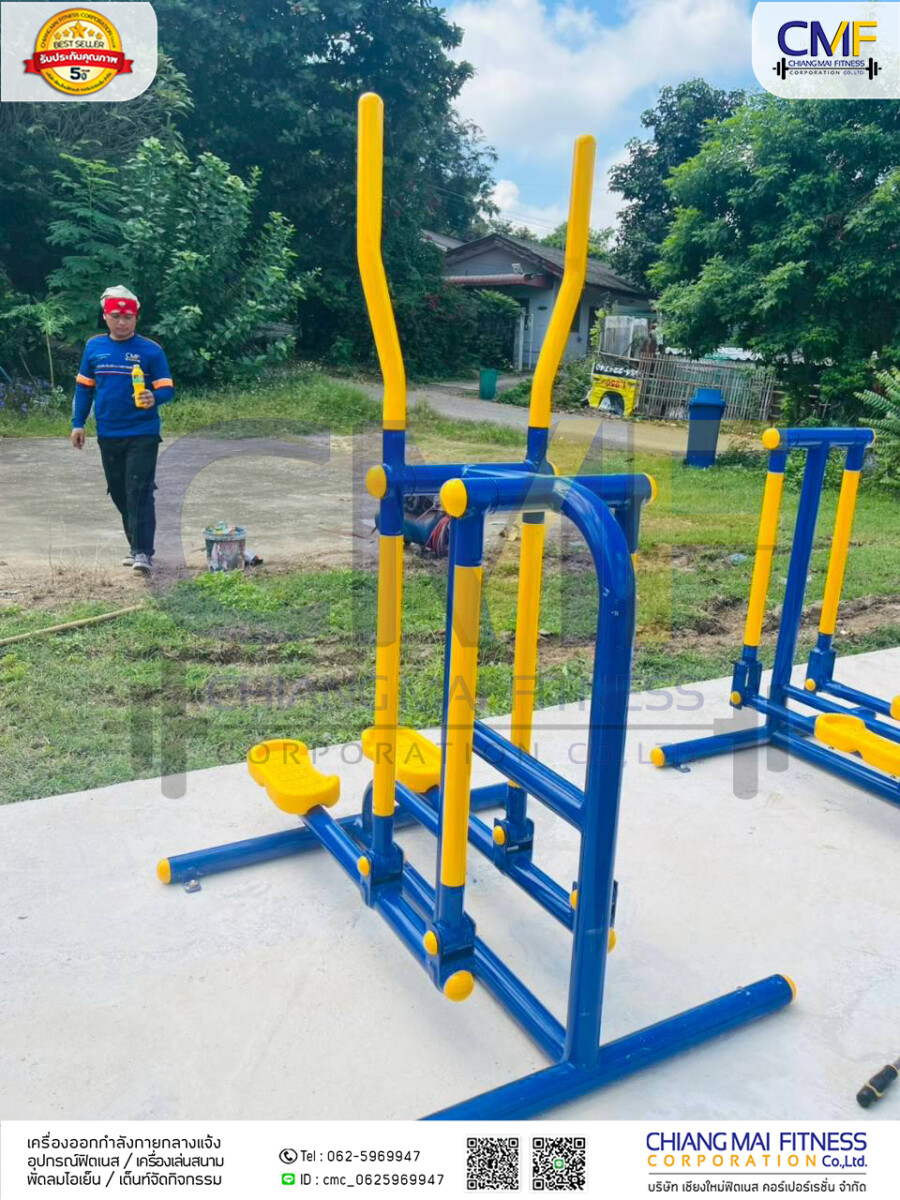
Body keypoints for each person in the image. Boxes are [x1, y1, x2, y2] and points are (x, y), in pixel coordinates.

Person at [70, 286, 175, 575]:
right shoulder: (94, 347)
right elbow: (84, 388)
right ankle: (135, 545)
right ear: (105, 316)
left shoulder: (151, 350)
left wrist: (154, 396)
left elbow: (167, 388)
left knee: (138, 489)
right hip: (108, 432)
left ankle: (143, 551)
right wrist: (78, 423)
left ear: (136, 318)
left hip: (143, 432)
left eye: (128, 317)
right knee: (118, 490)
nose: (121, 322)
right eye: (115, 316)